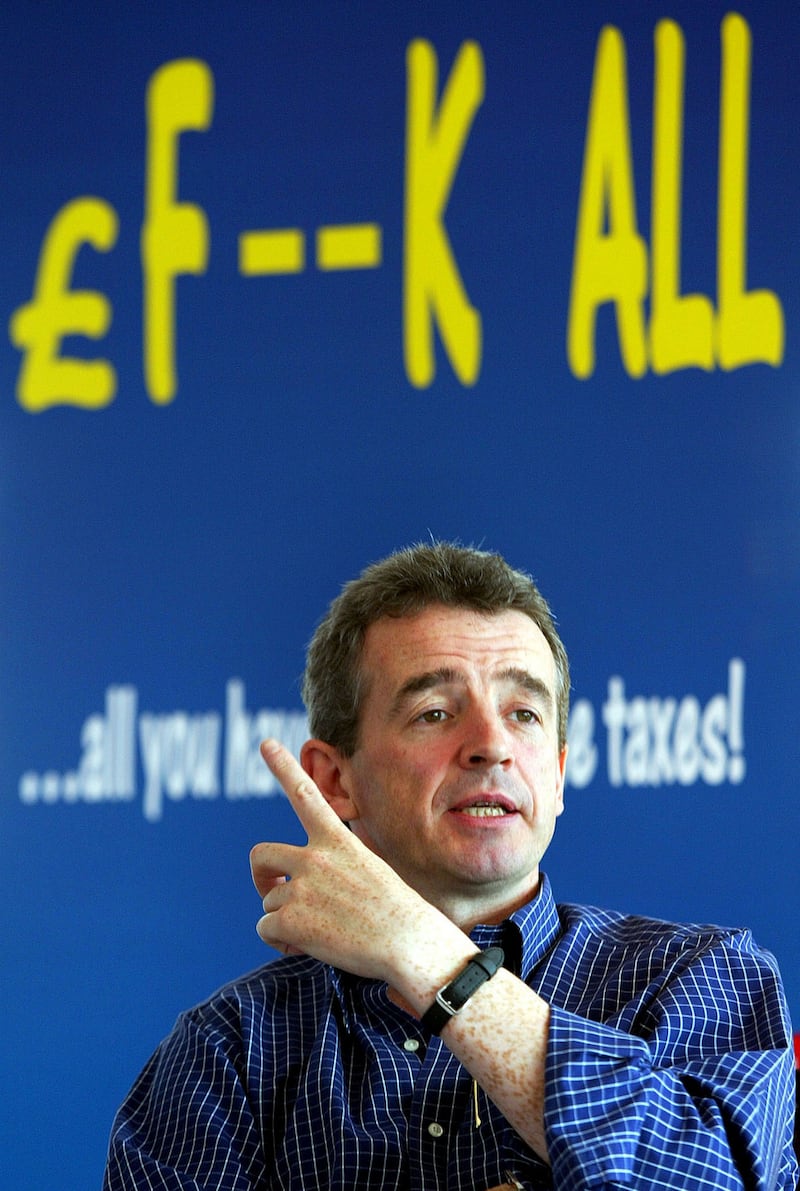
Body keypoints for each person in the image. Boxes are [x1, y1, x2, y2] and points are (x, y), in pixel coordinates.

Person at [103, 542, 798, 1189]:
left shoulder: (703, 977)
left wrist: (426, 954)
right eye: (435, 711)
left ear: (556, 776)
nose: (492, 745)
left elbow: (723, 1173)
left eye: (524, 712)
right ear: (335, 779)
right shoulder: (229, 1052)